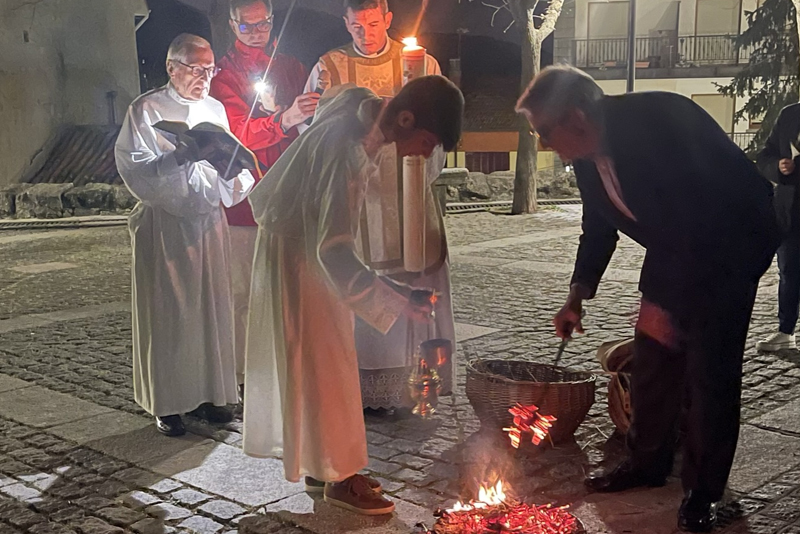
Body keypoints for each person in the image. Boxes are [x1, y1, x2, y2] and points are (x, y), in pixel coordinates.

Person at [517, 66, 779, 533]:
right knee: (653, 364)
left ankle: (703, 492)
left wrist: (669, 305)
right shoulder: (584, 156)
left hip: (731, 247)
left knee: (709, 374)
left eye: (543, 132)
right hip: (673, 251)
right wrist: (577, 294)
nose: (543, 145)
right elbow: (598, 228)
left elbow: (701, 216)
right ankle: (645, 463)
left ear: (576, 117)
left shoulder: (659, 123)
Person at [242, 76, 464, 515]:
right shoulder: (350, 150)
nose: (422, 154)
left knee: (315, 361)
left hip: (294, 244)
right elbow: (333, 250)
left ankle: (319, 464)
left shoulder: (360, 107)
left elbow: (350, 98)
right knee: (330, 362)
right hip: (304, 257)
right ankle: (340, 477)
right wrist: (398, 297)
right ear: (405, 118)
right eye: (425, 141)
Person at [304, 0, 456, 413]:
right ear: (346, 23)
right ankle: (370, 390)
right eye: (356, 26)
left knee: (416, 273)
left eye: (372, 24)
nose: (365, 34)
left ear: (387, 20)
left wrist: (417, 169)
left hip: (409, 193)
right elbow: (317, 133)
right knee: (361, 271)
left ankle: (421, 381)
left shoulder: (423, 66)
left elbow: (437, 133)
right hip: (357, 198)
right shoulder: (329, 69)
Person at [115, 34, 254, 437]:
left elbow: (229, 168)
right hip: (166, 226)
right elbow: (135, 167)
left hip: (207, 223)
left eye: (210, 69)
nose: (204, 77)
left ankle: (210, 396)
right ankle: (169, 403)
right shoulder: (146, 109)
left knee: (211, 310)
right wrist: (181, 155)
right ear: (172, 67)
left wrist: (232, 167)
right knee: (171, 315)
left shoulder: (214, 109)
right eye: (195, 68)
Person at [210, 0, 317, 394]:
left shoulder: (291, 66)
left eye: (263, 24)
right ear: (232, 24)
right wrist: (282, 119)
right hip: (246, 199)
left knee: (293, 287)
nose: (256, 32)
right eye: (247, 26)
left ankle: (289, 364)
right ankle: (243, 375)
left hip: (291, 193)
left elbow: (313, 124)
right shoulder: (223, 75)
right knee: (243, 293)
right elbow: (236, 133)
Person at [755, 103, 800, 352]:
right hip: (790, 210)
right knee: (789, 271)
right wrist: (778, 167)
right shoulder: (790, 114)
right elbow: (765, 156)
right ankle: (786, 331)